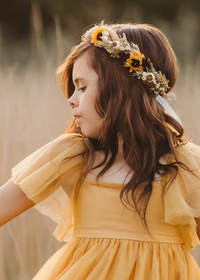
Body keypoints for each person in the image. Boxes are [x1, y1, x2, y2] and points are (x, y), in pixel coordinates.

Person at [0, 21, 200, 280]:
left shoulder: (186, 165)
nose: (71, 99)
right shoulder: (72, 155)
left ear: (121, 88)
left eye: (82, 87)